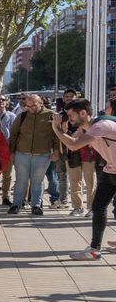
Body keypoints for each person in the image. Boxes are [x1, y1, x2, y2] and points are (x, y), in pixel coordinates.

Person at [52, 100, 116, 259]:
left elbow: (73, 145)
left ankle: (94, 249)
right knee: (98, 207)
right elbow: (71, 140)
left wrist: (55, 128)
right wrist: (62, 128)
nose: (70, 118)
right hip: (111, 170)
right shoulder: (87, 127)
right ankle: (94, 250)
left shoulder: (102, 126)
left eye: (71, 115)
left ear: (83, 113)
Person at [8, 93, 55, 216]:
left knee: (37, 181)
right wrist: (12, 152)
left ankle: (36, 205)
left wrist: (57, 151)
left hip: (42, 154)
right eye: (27, 106)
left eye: (33, 106)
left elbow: (57, 135)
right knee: (20, 181)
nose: (30, 108)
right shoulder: (22, 116)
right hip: (22, 154)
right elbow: (13, 134)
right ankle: (16, 205)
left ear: (41, 103)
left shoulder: (51, 115)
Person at [0, 94, 16, 205]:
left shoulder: (11, 116)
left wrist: (13, 149)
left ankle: (6, 196)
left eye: (3, 100)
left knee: (7, 175)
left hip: (7, 149)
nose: (1, 101)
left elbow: (15, 133)